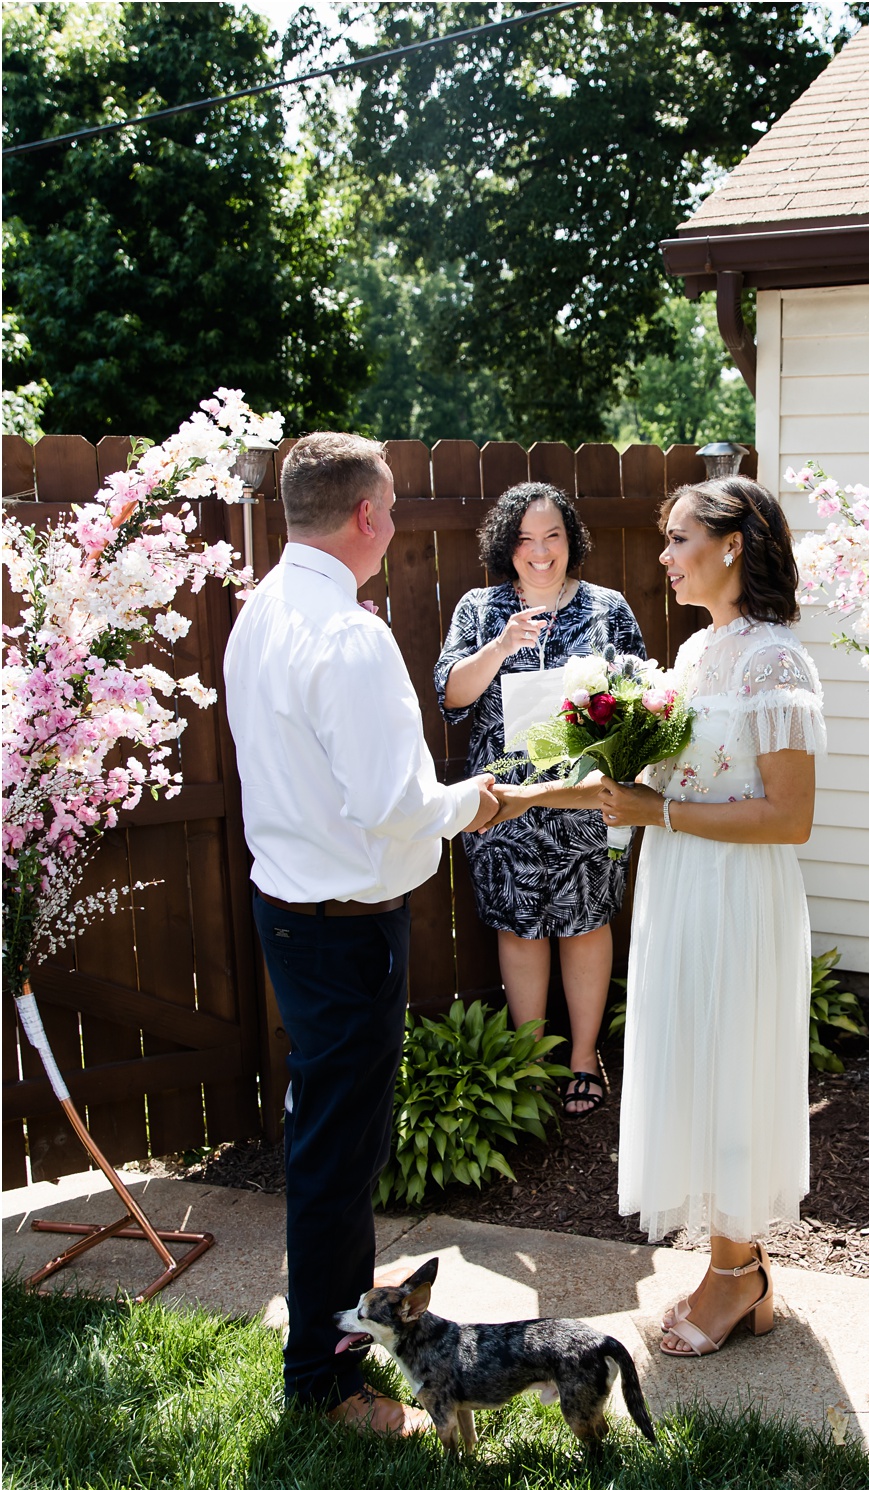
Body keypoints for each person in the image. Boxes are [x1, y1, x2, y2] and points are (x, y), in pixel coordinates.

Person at [488, 475, 824, 1357]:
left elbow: (790, 817)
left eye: (680, 540)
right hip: (680, 887)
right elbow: (634, 787)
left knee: (733, 1067)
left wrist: (659, 817)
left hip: (738, 897)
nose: (666, 557)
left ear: (734, 544)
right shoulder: (695, 656)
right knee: (698, 1065)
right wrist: (520, 798)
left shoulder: (774, 661)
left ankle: (736, 1276)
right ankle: (735, 1273)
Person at [223, 433, 498, 1435]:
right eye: (393, 508)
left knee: (340, 1143)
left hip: (294, 915)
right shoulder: (347, 635)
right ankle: (325, 1385)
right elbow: (392, 804)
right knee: (337, 1158)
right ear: (368, 517)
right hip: (341, 932)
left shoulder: (261, 612)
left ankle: (334, 1298)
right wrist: (481, 800)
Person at [434, 481, 645, 1117]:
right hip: (504, 797)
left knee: (587, 921)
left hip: (584, 794)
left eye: (553, 536)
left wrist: (607, 712)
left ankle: (583, 1056)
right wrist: (501, 646)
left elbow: (640, 698)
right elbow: (451, 697)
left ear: (571, 540)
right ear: (508, 545)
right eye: (526, 539)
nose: (541, 552)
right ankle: (527, 1064)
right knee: (519, 925)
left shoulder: (608, 607)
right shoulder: (480, 607)